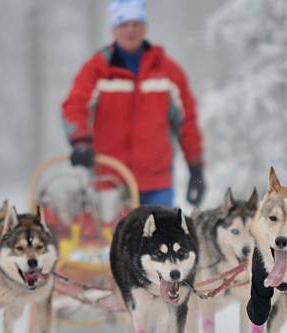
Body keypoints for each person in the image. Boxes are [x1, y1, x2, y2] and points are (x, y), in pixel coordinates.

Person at [61, 0, 205, 208]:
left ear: (145, 27)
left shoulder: (167, 71)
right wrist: (80, 141)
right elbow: (74, 105)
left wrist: (196, 168)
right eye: (123, 24)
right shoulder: (97, 70)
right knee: (115, 240)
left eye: (136, 24)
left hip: (157, 184)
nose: (130, 30)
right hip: (111, 181)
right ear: (114, 29)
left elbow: (187, 121)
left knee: (159, 239)